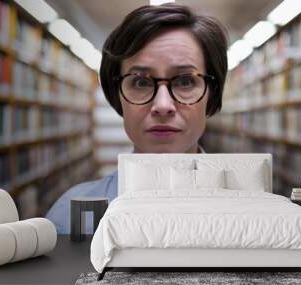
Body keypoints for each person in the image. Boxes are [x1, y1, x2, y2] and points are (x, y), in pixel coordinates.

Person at [46, 3, 228, 234]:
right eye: (140, 82)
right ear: (118, 96)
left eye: (185, 81)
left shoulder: (255, 215)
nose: (163, 106)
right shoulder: (68, 218)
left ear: (211, 95)